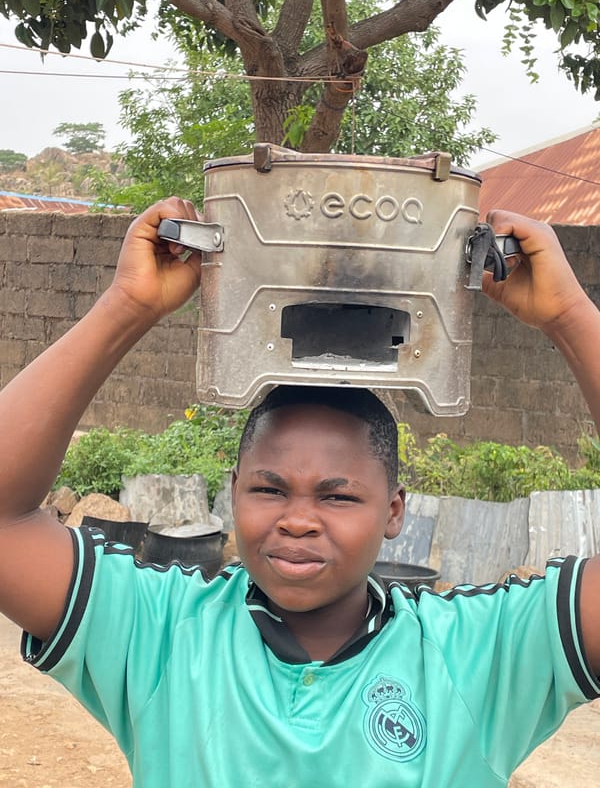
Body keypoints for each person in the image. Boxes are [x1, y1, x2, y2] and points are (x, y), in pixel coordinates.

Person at [0, 197, 599, 787]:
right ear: (232, 493)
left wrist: (569, 314)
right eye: (269, 489)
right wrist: (126, 306)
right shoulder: (158, 632)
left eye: (338, 497)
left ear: (395, 511)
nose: (298, 520)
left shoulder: (482, 653)